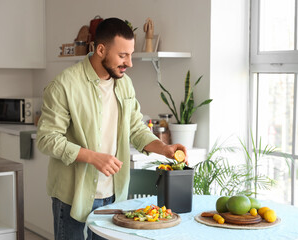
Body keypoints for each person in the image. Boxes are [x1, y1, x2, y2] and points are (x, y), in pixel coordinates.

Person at [36, 17, 187, 240]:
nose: (130, 63)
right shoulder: (64, 85)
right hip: (72, 194)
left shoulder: (124, 83)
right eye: (122, 55)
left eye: (131, 54)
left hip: (114, 195)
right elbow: (47, 139)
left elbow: (135, 128)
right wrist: (92, 157)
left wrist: (163, 149)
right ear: (100, 50)